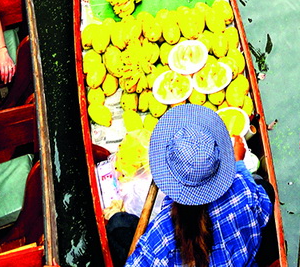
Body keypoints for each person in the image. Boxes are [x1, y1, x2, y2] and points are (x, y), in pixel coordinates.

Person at [106, 103, 270, 267]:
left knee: (117, 224)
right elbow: (264, 210)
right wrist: (238, 164)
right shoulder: (243, 188)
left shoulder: (161, 233)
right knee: (263, 186)